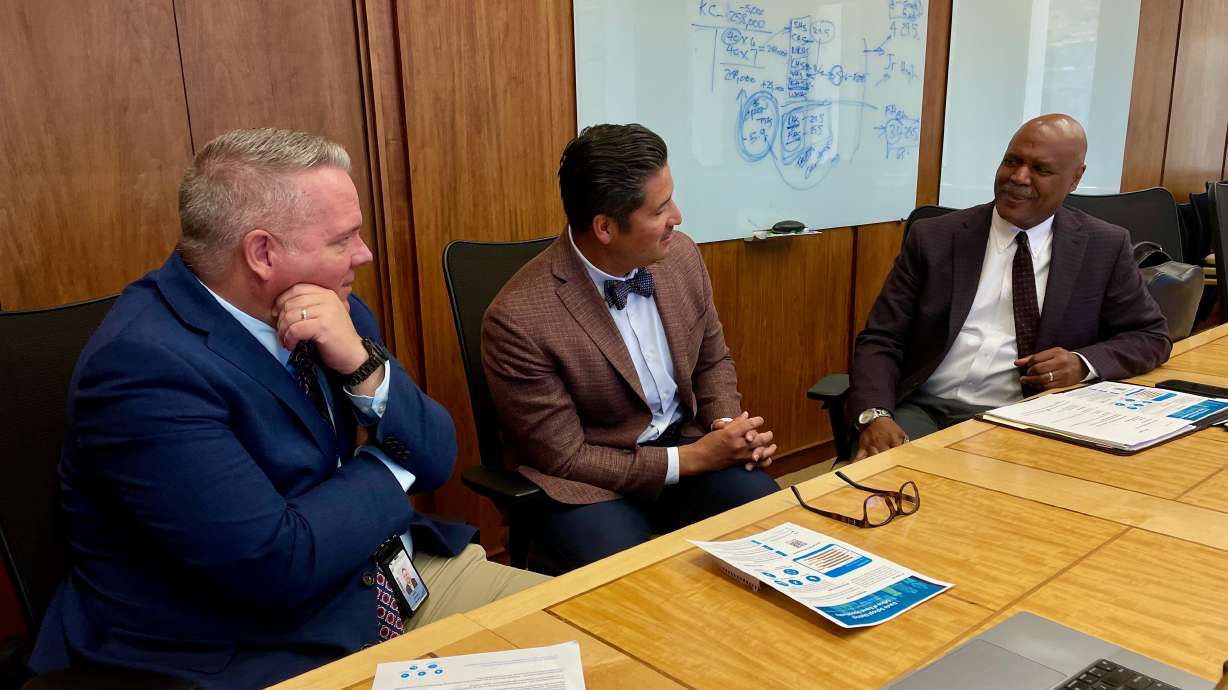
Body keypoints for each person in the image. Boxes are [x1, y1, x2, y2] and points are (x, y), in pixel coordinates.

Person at [30, 128, 547, 689]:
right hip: (254, 640)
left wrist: (361, 364)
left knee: (596, 631)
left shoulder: (330, 312)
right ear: (262, 252)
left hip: (383, 576)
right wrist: (391, 466)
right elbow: (276, 563)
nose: (364, 254)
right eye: (342, 239)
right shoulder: (142, 367)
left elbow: (439, 455)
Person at [482, 123, 780, 571]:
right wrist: (692, 459)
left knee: (770, 525)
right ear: (605, 227)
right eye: (660, 210)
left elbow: (711, 359)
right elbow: (567, 457)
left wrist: (725, 426)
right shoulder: (517, 319)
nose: (677, 217)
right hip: (588, 484)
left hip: (686, 445)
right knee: (638, 584)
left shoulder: (681, 258)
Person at [849, 114, 1171, 458]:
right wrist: (875, 415)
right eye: (1012, 161)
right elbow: (882, 339)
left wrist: (1081, 363)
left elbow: (1150, 336)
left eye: (1040, 170)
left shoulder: (1103, 246)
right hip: (923, 410)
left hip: (1026, 416)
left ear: (1075, 178)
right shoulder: (934, 237)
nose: (1018, 178)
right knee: (879, 493)